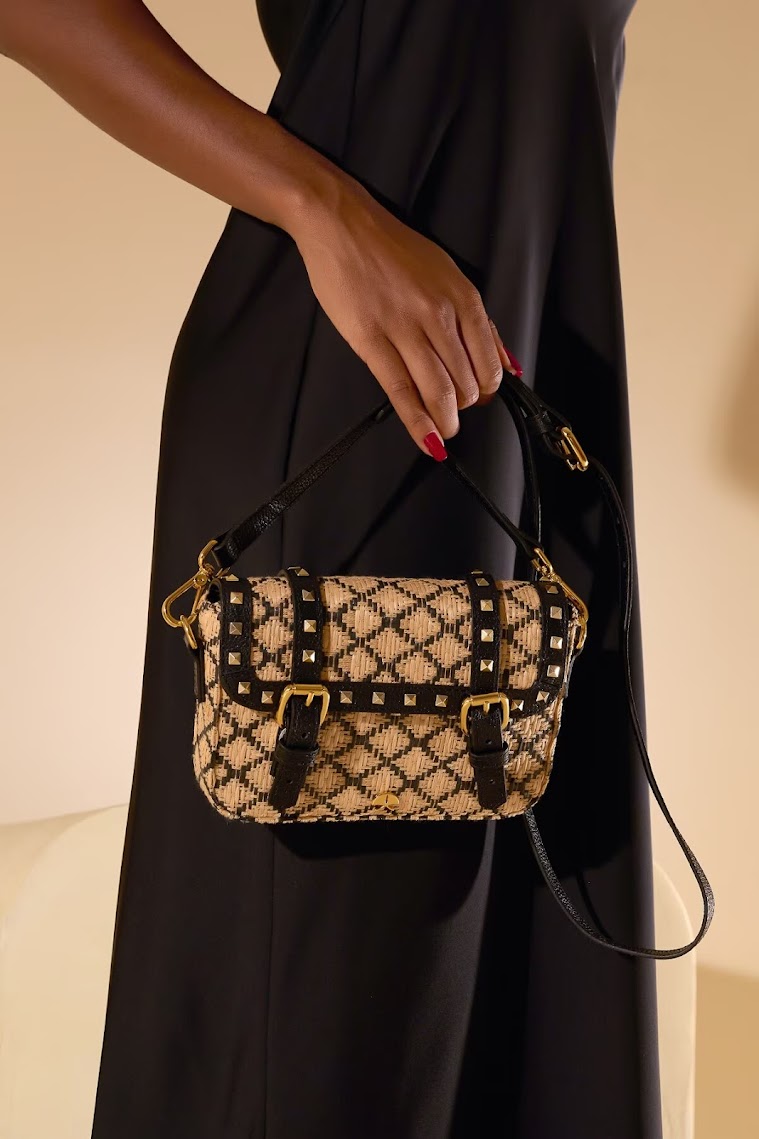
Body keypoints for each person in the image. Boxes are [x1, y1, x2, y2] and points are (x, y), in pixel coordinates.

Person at [1, 1, 659, 1136]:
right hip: (369, 401)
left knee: (530, 1028)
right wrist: (323, 210)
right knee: (339, 1035)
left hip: (540, 399)